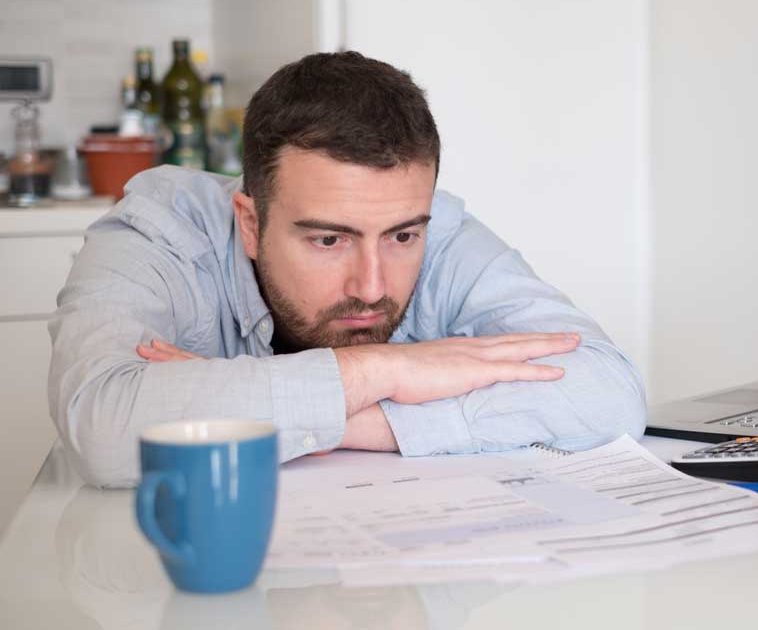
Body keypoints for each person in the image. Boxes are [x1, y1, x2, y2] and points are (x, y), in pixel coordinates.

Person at [48, 51, 646, 488]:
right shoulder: (161, 231)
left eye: (402, 237)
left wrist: (351, 417)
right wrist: (390, 367)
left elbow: (608, 392)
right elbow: (104, 429)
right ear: (250, 223)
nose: (372, 286)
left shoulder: (434, 224)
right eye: (330, 239)